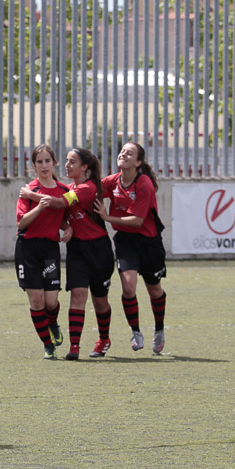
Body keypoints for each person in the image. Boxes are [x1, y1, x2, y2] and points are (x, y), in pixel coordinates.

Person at [20, 147, 114, 360]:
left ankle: (104, 338)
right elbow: (59, 211)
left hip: (99, 249)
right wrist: (66, 226)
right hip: (77, 249)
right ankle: (74, 347)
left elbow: (60, 202)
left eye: (72, 162)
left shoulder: (86, 188)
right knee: (78, 294)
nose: (67, 165)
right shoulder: (69, 187)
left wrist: (30, 194)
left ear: (85, 167)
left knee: (100, 301)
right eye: (66, 161)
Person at [94, 142, 167, 355]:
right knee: (128, 287)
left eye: (130, 153)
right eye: (122, 151)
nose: (124, 154)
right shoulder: (113, 180)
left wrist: (107, 217)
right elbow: (91, 190)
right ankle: (136, 332)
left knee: (154, 289)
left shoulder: (143, 183)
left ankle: (159, 330)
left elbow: (137, 220)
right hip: (126, 241)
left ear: (138, 162)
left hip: (149, 241)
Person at [15, 144, 70, 360]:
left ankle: (53, 323)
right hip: (28, 248)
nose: (44, 165)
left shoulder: (64, 191)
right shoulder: (28, 191)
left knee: (51, 302)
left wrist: (68, 228)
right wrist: (38, 207)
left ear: (54, 163)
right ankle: (48, 345)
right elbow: (21, 223)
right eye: (40, 162)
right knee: (36, 302)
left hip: (50, 248)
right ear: (34, 165)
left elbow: (64, 215)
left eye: (48, 161)